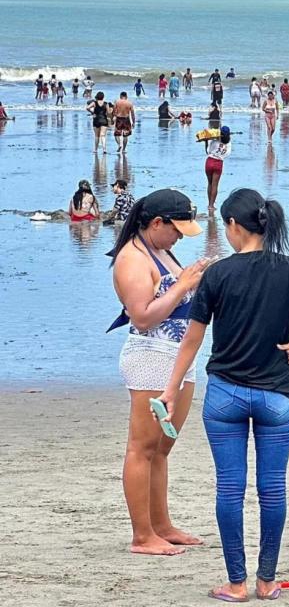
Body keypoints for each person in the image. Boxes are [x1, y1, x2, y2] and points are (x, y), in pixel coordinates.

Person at [159, 189, 289, 600]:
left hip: (225, 394)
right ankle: (266, 582)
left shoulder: (218, 273)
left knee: (229, 489)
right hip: (277, 398)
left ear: (232, 225)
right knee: (272, 489)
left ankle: (236, 583)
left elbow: (192, 340)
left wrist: (171, 390)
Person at [108, 189, 206, 555]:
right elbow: (143, 316)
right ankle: (142, 535)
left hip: (179, 356)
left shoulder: (161, 249)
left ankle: (161, 524)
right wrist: (183, 284)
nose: (180, 236)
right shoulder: (132, 259)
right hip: (151, 357)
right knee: (142, 447)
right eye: (177, 229)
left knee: (162, 448)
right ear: (156, 223)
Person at [204, 125, 232, 212]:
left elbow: (207, 151)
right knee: (215, 185)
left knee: (209, 183)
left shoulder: (214, 141)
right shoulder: (228, 143)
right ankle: (211, 205)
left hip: (209, 161)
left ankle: (209, 203)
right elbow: (227, 154)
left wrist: (206, 142)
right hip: (219, 163)